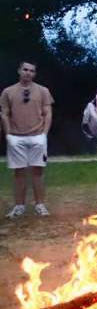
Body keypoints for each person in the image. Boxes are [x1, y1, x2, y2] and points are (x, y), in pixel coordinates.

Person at [1, 62, 53, 218]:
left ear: (34, 74)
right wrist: (8, 134)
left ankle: (40, 205)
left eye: (31, 71)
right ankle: (19, 206)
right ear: (19, 71)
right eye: (25, 69)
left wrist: (44, 134)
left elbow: (48, 113)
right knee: (19, 173)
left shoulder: (43, 91)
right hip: (16, 136)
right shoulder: (8, 91)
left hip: (37, 135)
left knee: (38, 172)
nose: (28, 73)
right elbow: (4, 113)